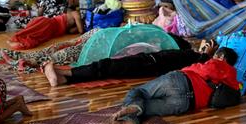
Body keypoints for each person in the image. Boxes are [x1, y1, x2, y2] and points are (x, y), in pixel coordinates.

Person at [106, 47, 241, 124]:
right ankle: (131, 121)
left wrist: (197, 64)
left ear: (221, 57)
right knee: (145, 108)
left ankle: (132, 111)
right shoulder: (232, 83)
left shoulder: (220, 64)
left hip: (179, 81)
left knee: (138, 92)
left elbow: (204, 70)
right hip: (185, 104)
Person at [43, 35, 212, 87]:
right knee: (106, 68)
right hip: (147, 63)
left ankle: (64, 72)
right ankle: (65, 78)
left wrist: (206, 52)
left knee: (106, 66)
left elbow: (203, 59)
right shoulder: (186, 53)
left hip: (147, 63)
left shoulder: (191, 56)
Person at [8, 0, 84, 50]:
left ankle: (16, 39)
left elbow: (40, 11)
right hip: (53, 27)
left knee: (31, 29)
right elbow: (78, 31)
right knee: (38, 36)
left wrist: (37, 19)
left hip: (48, 21)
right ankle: (18, 41)